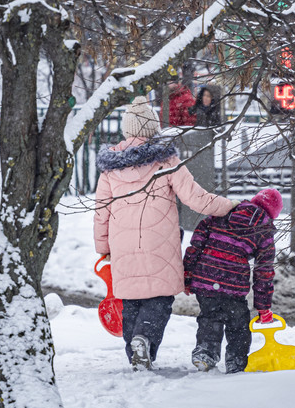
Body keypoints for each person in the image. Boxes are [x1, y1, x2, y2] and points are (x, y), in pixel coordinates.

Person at [94, 96, 236, 371]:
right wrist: (229, 206)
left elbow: (101, 211)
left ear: (127, 130)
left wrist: (102, 245)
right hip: (160, 243)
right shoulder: (166, 162)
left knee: (131, 299)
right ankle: (144, 340)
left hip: (122, 244)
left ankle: (136, 353)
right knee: (159, 299)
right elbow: (197, 199)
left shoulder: (110, 169)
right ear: (153, 129)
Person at [183, 188, 282, 373]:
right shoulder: (264, 231)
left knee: (209, 317)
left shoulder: (224, 211)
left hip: (206, 277)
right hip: (233, 284)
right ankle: (236, 361)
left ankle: (206, 352)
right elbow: (264, 272)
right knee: (238, 325)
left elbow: (196, 242)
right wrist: (263, 307)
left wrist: (188, 274)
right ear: (273, 213)